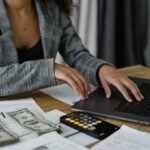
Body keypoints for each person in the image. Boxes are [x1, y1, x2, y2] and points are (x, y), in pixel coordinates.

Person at [0, 0, 143, 102]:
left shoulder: (51, 7)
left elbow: (76, 54)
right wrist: (47, 70)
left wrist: (101, 69)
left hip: (41, 104)